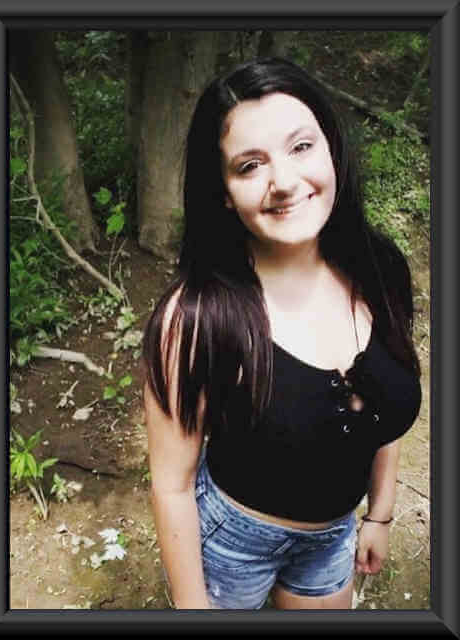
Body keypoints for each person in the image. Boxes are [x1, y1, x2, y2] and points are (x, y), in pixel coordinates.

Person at [142, 58, 422, 610]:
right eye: (250, 165)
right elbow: (171, 484)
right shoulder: (195, 317)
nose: (285, 182)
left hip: (333, 537)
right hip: (234, 542)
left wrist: (379, 513)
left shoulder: (380, 268)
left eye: (301, 147)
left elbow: (381, 402)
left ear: (330, 148)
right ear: (224, 191)